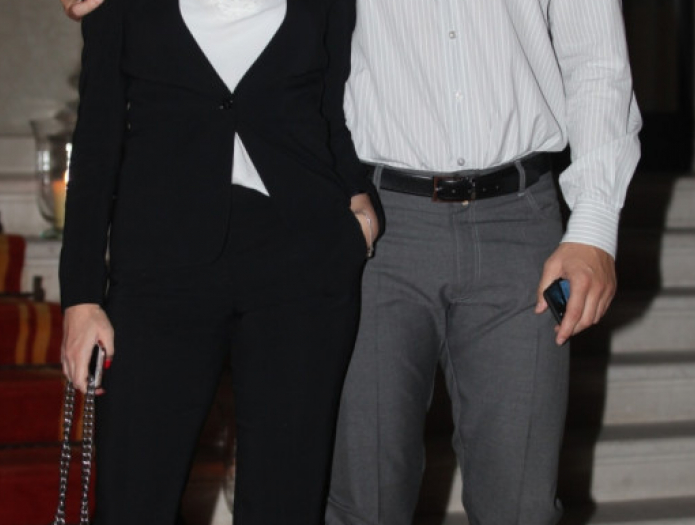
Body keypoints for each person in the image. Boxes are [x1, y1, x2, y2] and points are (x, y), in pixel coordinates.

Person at [62, 0, 641, 523]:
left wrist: (594, 224)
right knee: (366, 504)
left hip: (521, 219)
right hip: (385, 222)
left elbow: (597, 60)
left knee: (522, 507)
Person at [57, 0, 380, 524]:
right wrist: (81, 295)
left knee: (285, 504)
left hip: (301, 262)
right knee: (133, 499)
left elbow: (329, 106)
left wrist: (357, 200)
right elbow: (96, 139)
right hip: (160, 268)